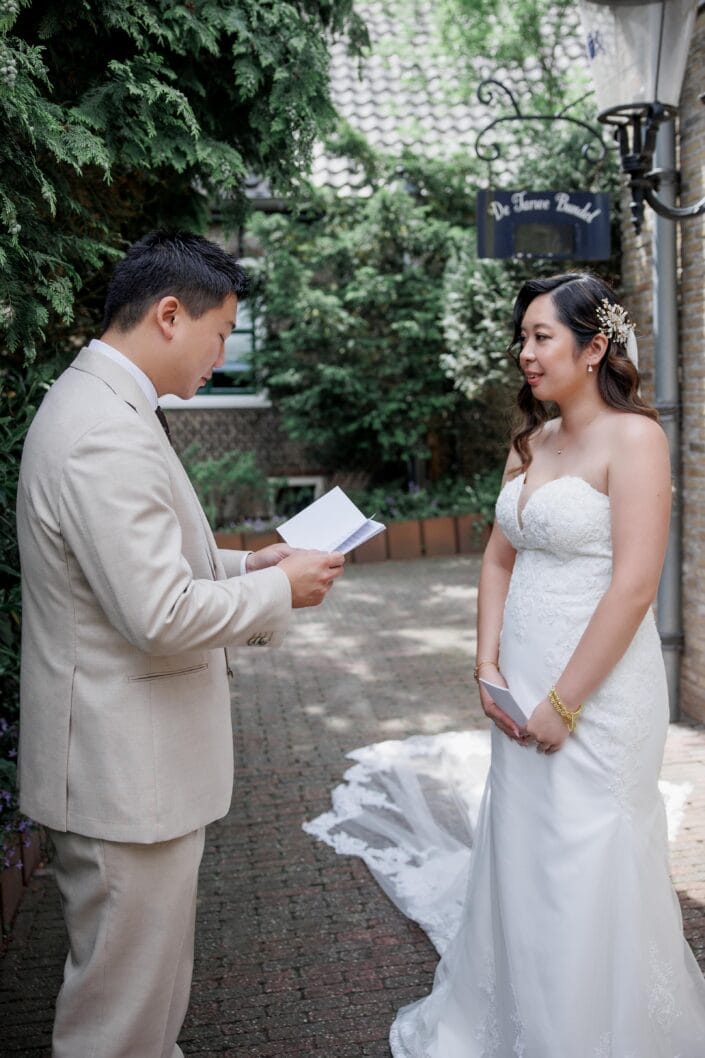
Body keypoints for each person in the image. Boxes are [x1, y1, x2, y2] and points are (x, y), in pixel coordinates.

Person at [305, 272, 705, 1056]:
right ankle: (521, 1015)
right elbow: (496, 561)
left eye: (540, 336)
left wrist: (564, 702)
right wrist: (485, 664)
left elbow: (631, 588)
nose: (523, 353)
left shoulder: (635, 440)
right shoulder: (530, 442)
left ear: (593, 349)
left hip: (599, 693)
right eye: (520, 337)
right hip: (519, 684)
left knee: (585, 855)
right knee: (524, 848)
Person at [17, 230, 345, 1058]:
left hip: (131, 767)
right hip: (124, 775)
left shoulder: (110, 405)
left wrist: (247, 562)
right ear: (169, 314)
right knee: (119, 1020)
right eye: (222, 332)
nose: (222, 353)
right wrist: (281, 591)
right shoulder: (104, 430)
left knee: (144, 1003)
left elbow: (130, 568)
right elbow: (157, 614)